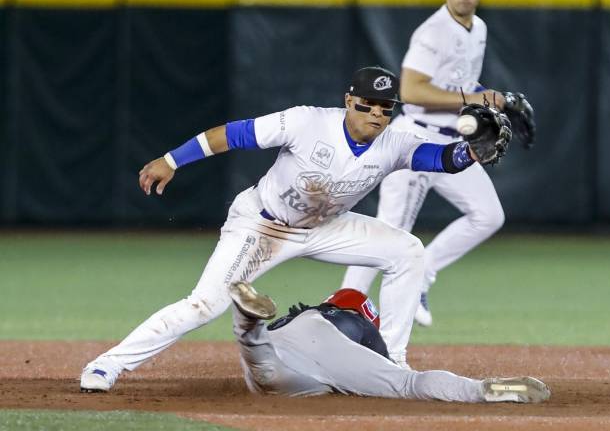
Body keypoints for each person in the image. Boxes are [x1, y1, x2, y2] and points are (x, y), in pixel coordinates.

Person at [80, 66, 509, 393]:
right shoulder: (307, 122)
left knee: (408, 251)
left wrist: (472, 151)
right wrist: (172, 161)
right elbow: (234, 134)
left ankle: (393, 363)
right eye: (367, 105)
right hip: (263, 225)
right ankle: (109, 364)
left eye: (384, 108)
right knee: (203, 306)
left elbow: (440, 159)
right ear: (348, 101)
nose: (376, 114)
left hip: (325, 226)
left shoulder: (394, 141)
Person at [342, 0, 534, 327]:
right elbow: (412, 91)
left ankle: (423, 275)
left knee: (488, 215)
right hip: (414, 141)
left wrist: (500, 99)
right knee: (387, 236)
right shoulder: (432, 32)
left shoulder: (477, 28)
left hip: (451, 145)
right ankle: (340, 306)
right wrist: (476, 99)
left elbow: (461, 83)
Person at [228, 281, 551, 403]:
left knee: (262, 361)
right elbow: (383, 361)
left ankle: (248, 319)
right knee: (408, 383)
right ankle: (480, 390)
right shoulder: (350, 317)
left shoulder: (303, 314)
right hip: (327, 344)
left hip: (281, 348)